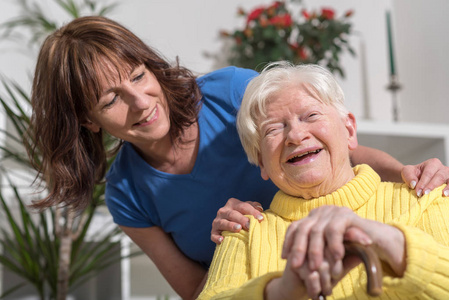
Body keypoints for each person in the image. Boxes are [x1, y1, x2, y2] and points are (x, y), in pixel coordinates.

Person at [28, 16, 449, 299]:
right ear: (87, 120)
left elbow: (332, 147)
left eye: (139, 76)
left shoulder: (228, 91)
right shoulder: (127, 193)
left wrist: (407, 174)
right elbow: (198, 290)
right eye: (111, 99)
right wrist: (277, 284)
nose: (141, 103)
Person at [197, 62, 449, 300]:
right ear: (262, 162)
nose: (295, 135)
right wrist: (280, 292)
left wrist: (393, 244)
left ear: (349, 130)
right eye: (273, 129)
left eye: (311, 115)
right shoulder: (243, 233)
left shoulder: (426, 198)